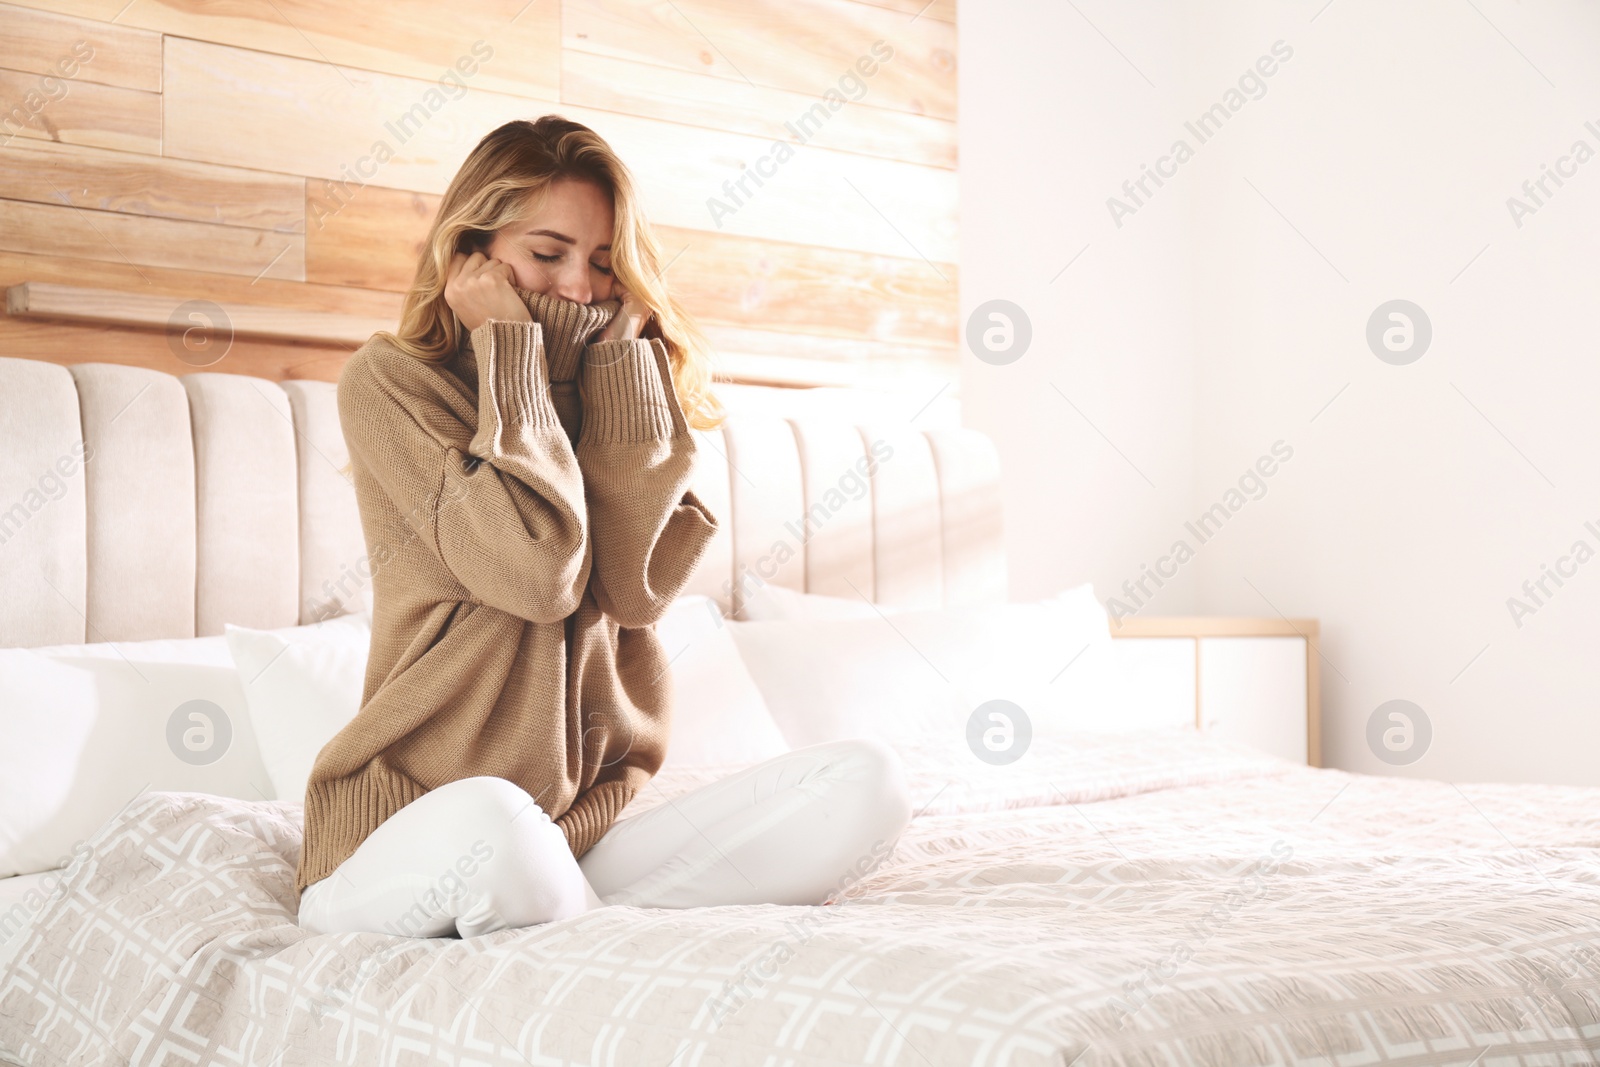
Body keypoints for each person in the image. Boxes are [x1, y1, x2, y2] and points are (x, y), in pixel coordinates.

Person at [295, 115, 913, 938]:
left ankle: (577, 918)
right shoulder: (391, 384)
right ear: (470, 251)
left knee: (866, 782)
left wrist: (622, 378)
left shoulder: (619, 389)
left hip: (571, 837)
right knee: (497, 822)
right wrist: (510, 353)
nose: (580, 288)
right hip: (410, 833)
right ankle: (582, 917)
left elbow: (631, 587)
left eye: (601, 261)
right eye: (547, 253)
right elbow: (538, 574)